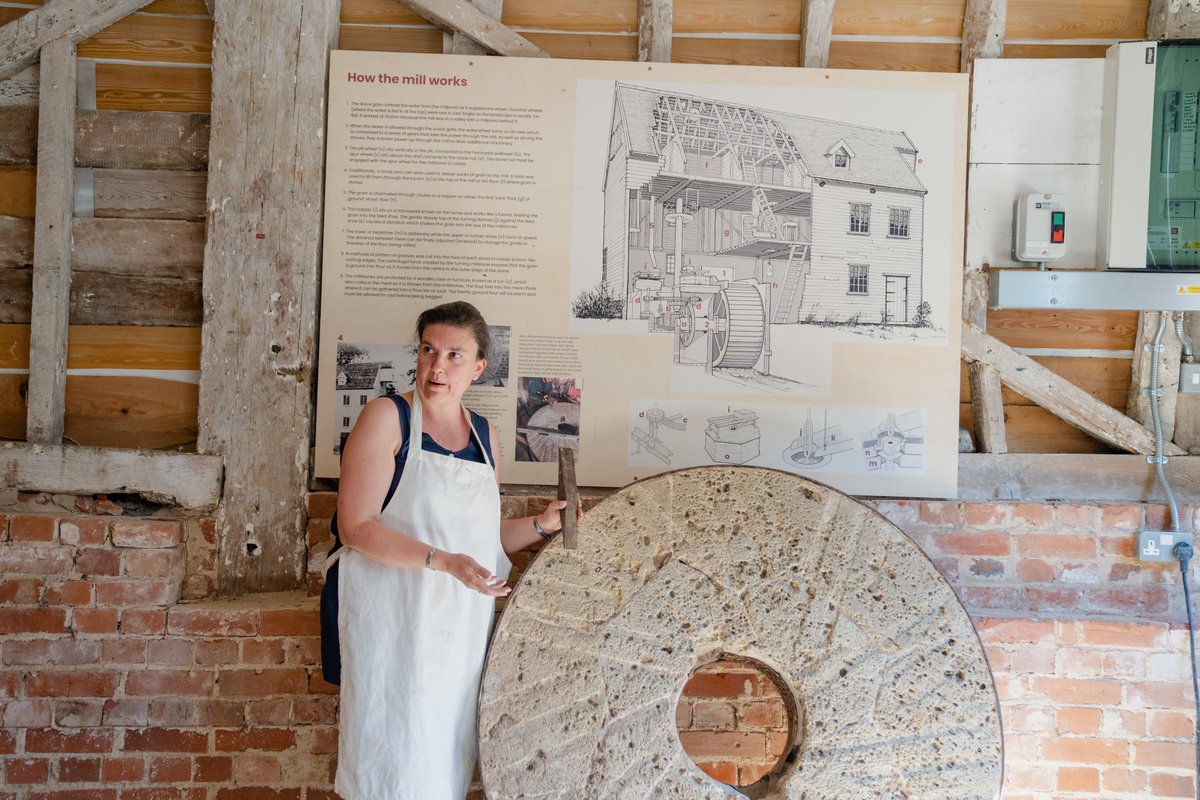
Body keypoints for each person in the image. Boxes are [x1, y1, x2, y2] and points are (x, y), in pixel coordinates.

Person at [325, 301, 576, 799]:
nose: (437, 366)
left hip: (456, 627)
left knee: (443, 764)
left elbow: (480, 540)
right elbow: (356, 527)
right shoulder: (386, 417)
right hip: (392, 619)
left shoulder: (486, 436)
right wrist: (443, 562)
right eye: (428, 350)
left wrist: (543, 526)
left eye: (455, 355)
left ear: (479, 367)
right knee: (391, 760)